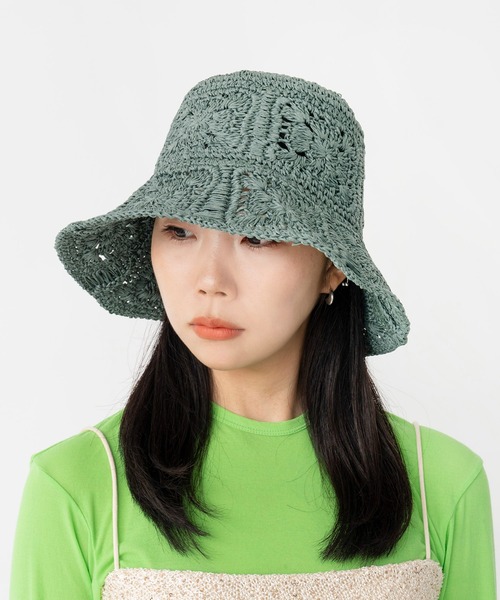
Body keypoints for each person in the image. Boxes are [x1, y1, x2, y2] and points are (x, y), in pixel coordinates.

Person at [10, 70, 495, 599]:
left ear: (333, 265)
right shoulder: (76, 485)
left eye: (258, 236)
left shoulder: (442, 482)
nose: (210, 280)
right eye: (180, 231)